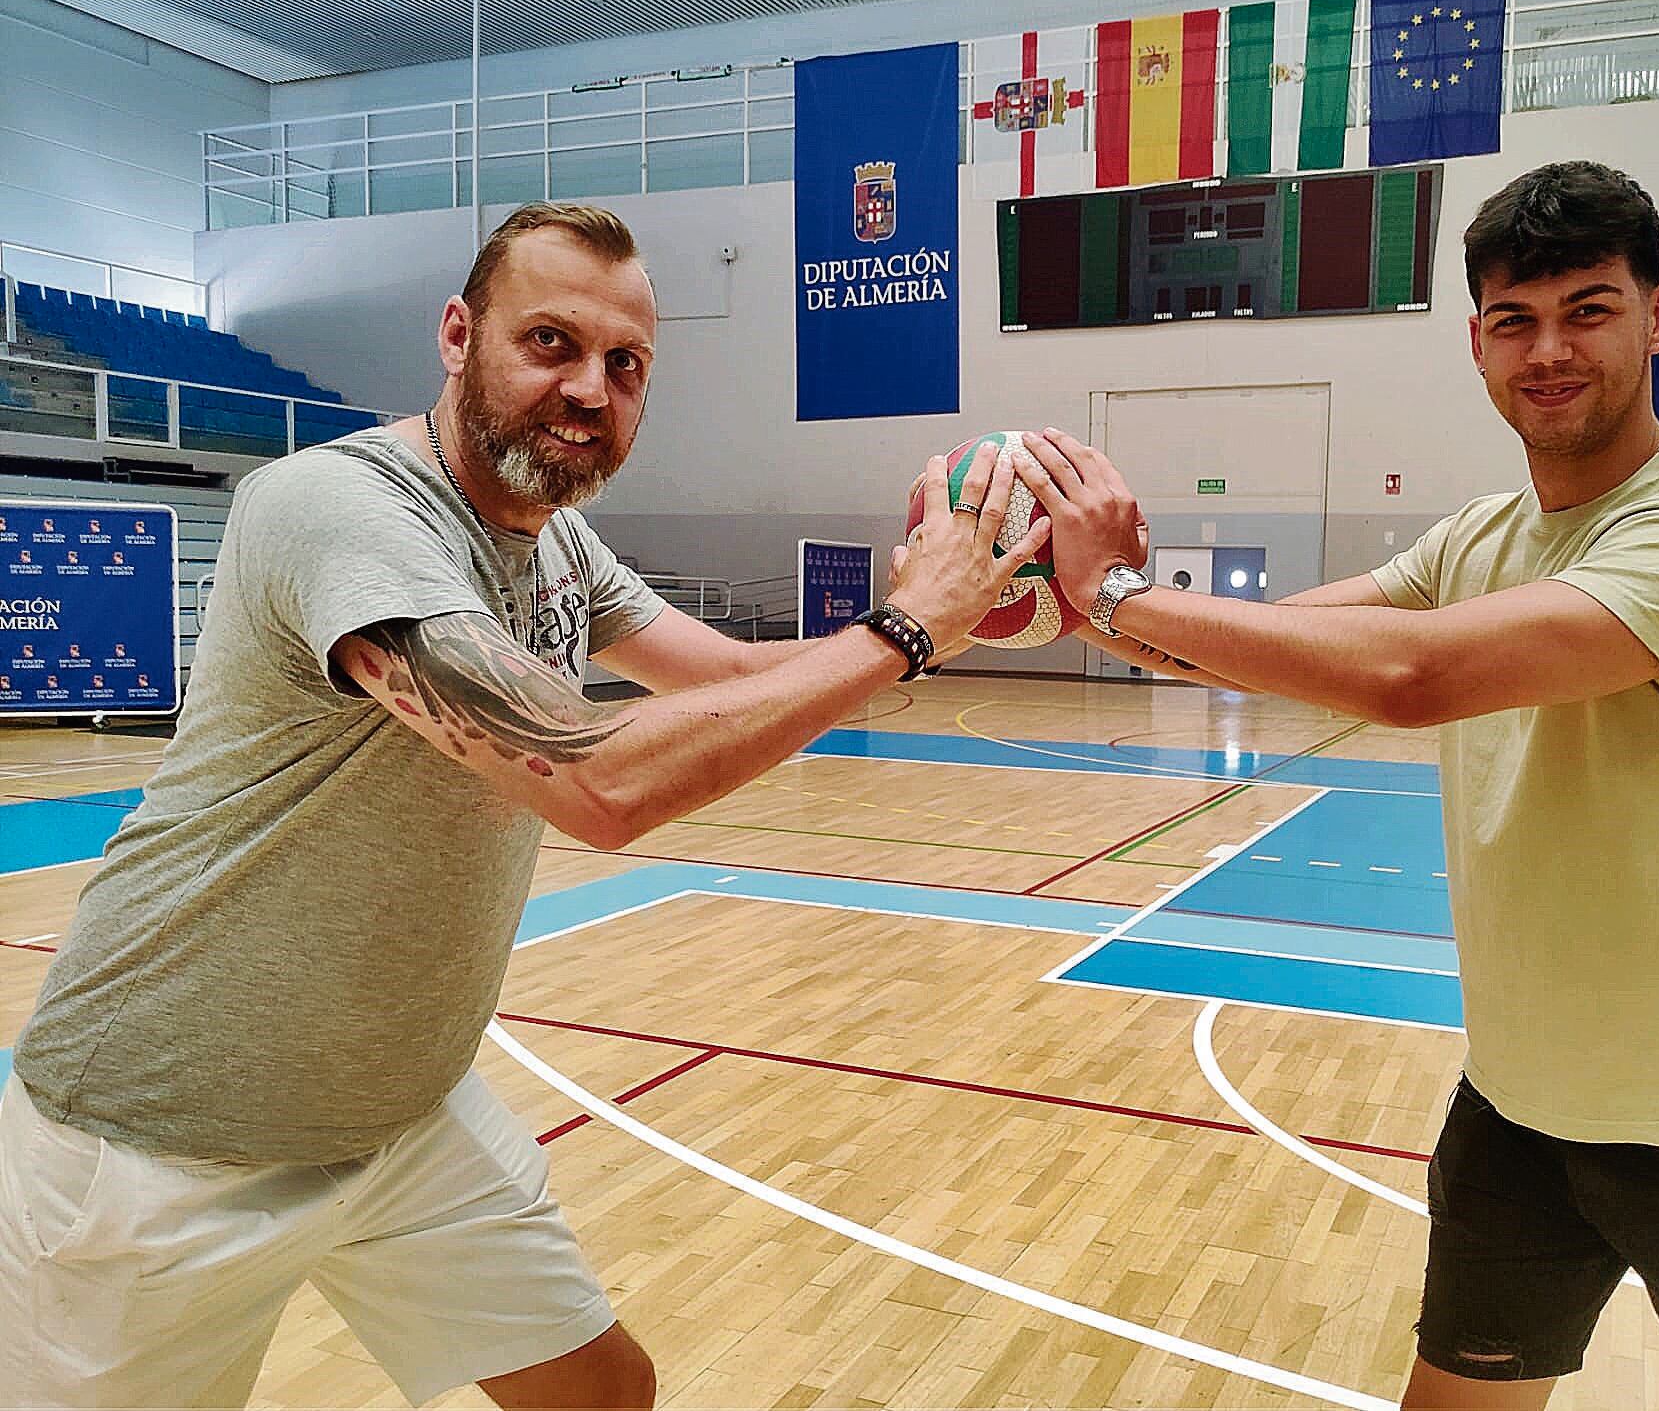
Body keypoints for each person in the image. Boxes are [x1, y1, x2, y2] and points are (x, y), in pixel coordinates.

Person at [0, 201, 1043, 1409]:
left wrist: (940, 613)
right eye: (549, 342)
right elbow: (592, 780)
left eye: (625, 364)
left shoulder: (557, 542)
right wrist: (902, 632)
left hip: (392, 1108)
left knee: (600, 1396)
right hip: (164, 1138)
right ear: (458, 335)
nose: (590, 388)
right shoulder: (337, 509)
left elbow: (736, 680)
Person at [1019, 161, 1659, 1410]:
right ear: (1473, 344)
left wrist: (1118, 597)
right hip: (1518, 1109)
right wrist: (1057, 599)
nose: (1547, 350)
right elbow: (1285, 645)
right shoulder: (1475, 536)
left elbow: (1411, 676)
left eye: (1587, 308)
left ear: (1658, 316)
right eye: (1511, 320)